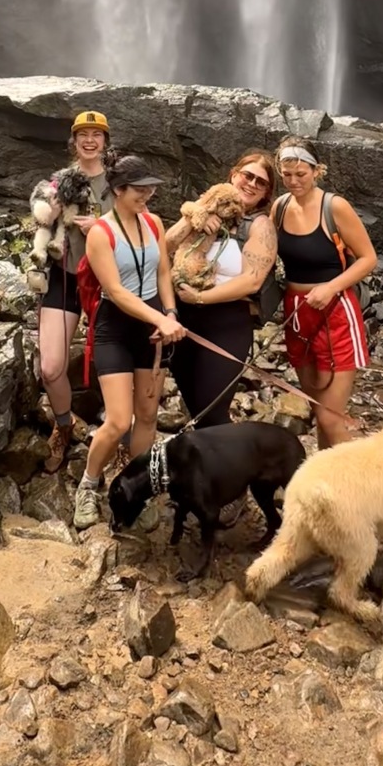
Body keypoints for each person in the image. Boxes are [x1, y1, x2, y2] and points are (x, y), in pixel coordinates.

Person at [73, 154, 184, 530]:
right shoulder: (101, 234)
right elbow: (117, 292)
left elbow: (164, 271)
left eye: (151, 188)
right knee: (119, 419)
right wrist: (158, 319)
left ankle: (141, 484)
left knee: (149, 414)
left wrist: (169, 314)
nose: (148, 195)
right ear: (117, 190)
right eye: (140, 189)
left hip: (153, 324)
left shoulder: (153, 223)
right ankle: (89, 484)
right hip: (116, 328)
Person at [272, 137, 377, 447]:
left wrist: (331, 287)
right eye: (286, 174)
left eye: (301, 174)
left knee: (332, 416)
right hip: (296, 313)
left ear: (316, 171)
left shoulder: (335, 207)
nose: (293, 181)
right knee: (318, 409)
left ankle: (346, 488)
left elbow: (369, 258)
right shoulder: (279, 208)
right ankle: (325, 481)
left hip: (335, 312)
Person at [167, 152, 280, 430]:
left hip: (227, 324)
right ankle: (204, 466)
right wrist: (193, 217)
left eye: (261, 182)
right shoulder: (204, 208)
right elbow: (163, 248)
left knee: (212, 412)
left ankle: (228, 468)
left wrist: (200, 298)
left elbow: (252, 280)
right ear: (233, 175)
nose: (251, 184)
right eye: (247, 175)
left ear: (266, 193)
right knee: (194, 406)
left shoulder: (260, 225)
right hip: (183, 321)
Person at [32, 111, 115, 474]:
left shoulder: (120, 183)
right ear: (74, 140)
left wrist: (102, 225)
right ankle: (63, 426)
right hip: (65, 278)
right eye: (83, 134)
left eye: (97, 134)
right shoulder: (58, 182)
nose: (90, 140)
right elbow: (40, 221)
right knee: (51, 368)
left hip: (108, 284)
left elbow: (141, 227)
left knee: (116, 367)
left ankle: (121, 438)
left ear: (106, 142)